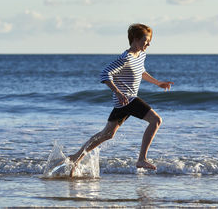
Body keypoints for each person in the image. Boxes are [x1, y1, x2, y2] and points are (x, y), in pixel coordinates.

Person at [67, 23, 173, 176]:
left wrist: (158, 83)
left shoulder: (141, 55)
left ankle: (76, 156)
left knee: (107, 134)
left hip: (123, 103)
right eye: (146, 40)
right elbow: (105, 74)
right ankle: (141, 159)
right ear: (135, 39)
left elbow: (141, 71)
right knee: (156, 120)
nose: (148, 43)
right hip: (127, 99)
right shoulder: (126, 58)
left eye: (149, 40)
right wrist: (117, 92)